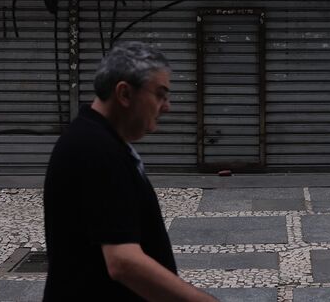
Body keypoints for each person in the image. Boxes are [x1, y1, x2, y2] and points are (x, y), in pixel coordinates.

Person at [43, 41, 218, 301]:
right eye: (160, 94)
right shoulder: (95, 149)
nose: (167, 106)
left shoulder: (98, 140)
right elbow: (123, 262)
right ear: (124, 94)